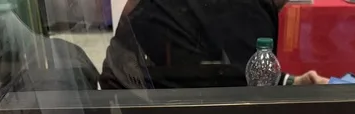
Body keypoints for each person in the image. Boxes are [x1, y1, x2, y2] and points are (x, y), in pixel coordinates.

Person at [100, 0, 328, 89]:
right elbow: (250, 91)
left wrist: (289, 82)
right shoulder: (246, 10)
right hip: (148, 99)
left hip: (129, 81)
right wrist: (289, 84)